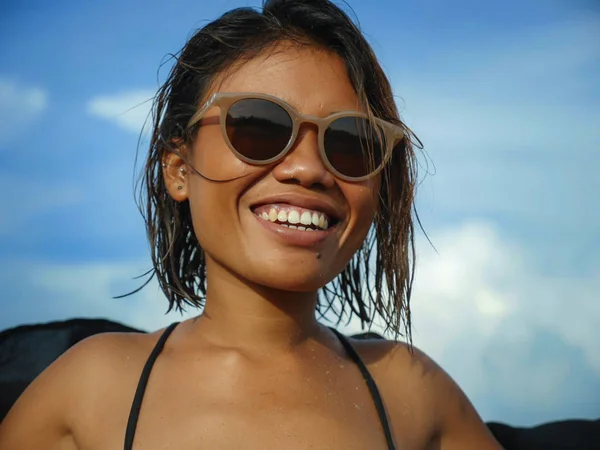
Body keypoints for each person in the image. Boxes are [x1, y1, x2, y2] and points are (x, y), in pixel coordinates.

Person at [0, 0, 503, 448]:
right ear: (179, 169)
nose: (308, 168)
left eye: (351, 141)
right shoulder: (92, 389)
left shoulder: (412, 394)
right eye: (259, 127)